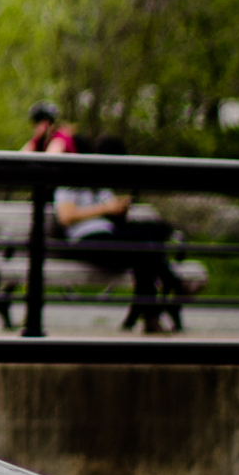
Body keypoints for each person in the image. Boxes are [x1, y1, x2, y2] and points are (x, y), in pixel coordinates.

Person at [55, 134, 187, 333]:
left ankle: (149, 314)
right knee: (144, 248)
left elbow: (109, 214)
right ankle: (170, 288)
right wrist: (105, 208)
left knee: (149, 237)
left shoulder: (100, 184)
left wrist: (119, 210)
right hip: (86, 240)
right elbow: (65, 217)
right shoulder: (70, 181)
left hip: (108, 235)